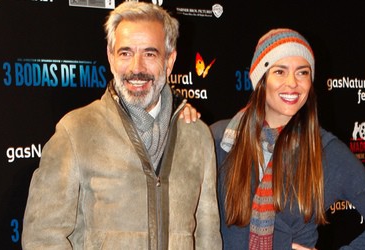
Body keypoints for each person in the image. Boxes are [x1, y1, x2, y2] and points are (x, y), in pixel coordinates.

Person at [22, 2, 221, 249]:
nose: (136, 68)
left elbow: (208, 234)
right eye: (125, 53)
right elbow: (42, 237)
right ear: (111, 57)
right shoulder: (75, 131)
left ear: (169, 61)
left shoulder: (197, 136)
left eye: (150, 54)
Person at [210, 28, 365, 250]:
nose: (292, 83)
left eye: (302, 72)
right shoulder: (221, 139)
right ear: (260, 79)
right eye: (280, 72)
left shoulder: (326, 150)